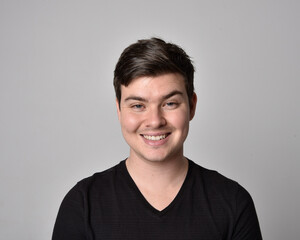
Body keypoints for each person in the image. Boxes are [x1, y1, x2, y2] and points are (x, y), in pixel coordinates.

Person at [52, 37, 263, 240]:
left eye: (169, 103)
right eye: (138, 106)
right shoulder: (82, 204)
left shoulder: (233, 202)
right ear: (119, 110)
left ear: (192, 106)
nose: (154, 121)